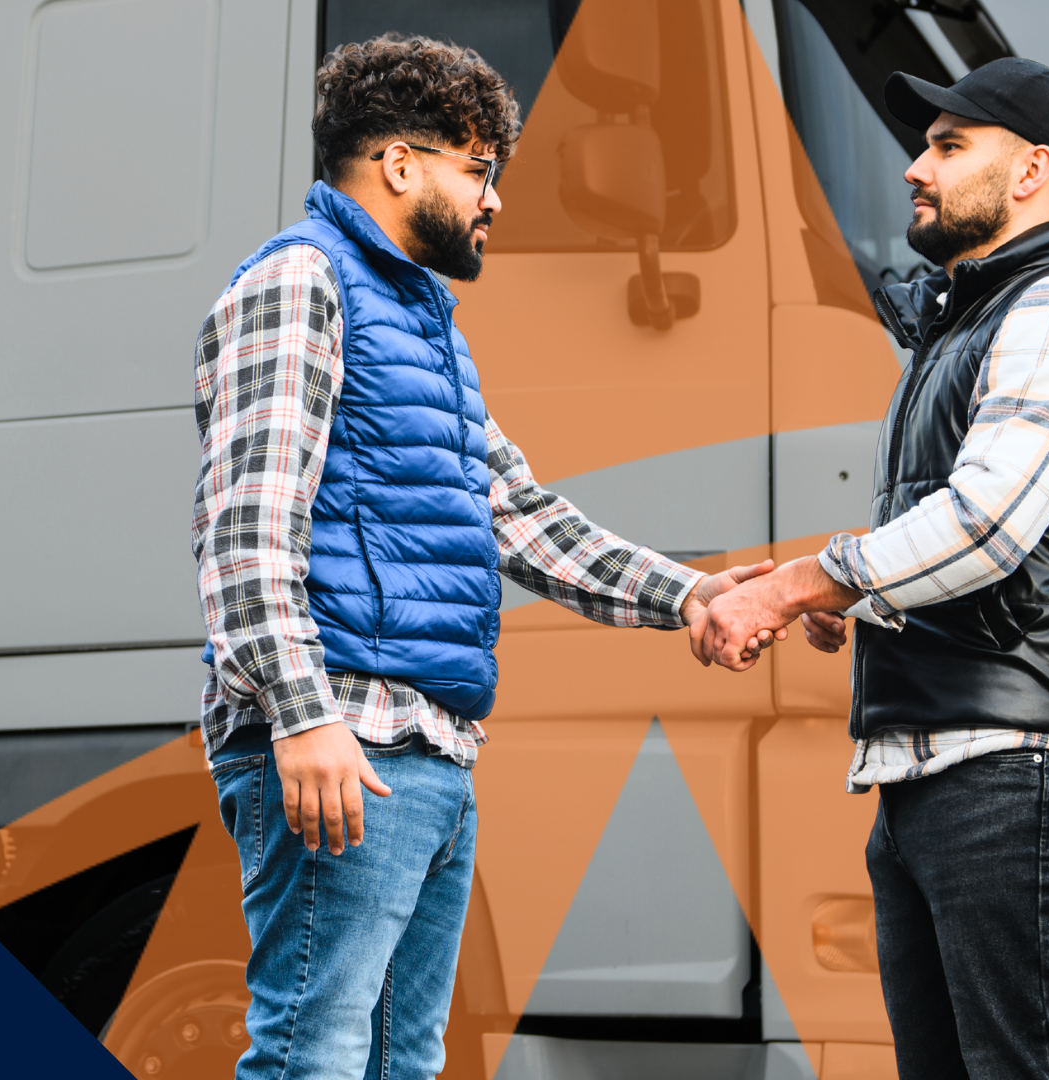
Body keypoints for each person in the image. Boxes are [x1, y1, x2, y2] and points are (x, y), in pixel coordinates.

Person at [189, 33, 771, 1080]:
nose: (495, 200)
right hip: (349, 739)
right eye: (479, 169)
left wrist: (688, 595)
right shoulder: (301, 281)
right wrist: (303, 713)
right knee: (308, 1053)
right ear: (399, 164)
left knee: (397, 1061)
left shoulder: (426, 326)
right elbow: (245, 527)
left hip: (430, 748)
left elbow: (518, 515)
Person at [695, 58, 1049, 1079]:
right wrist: (857, 592)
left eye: (950, 147)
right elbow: (964, 540)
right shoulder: (968, 327)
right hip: (944, 772)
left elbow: (986, 527)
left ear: (1032, 171)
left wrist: (806, 583)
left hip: (1025, 760)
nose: (916, 168)